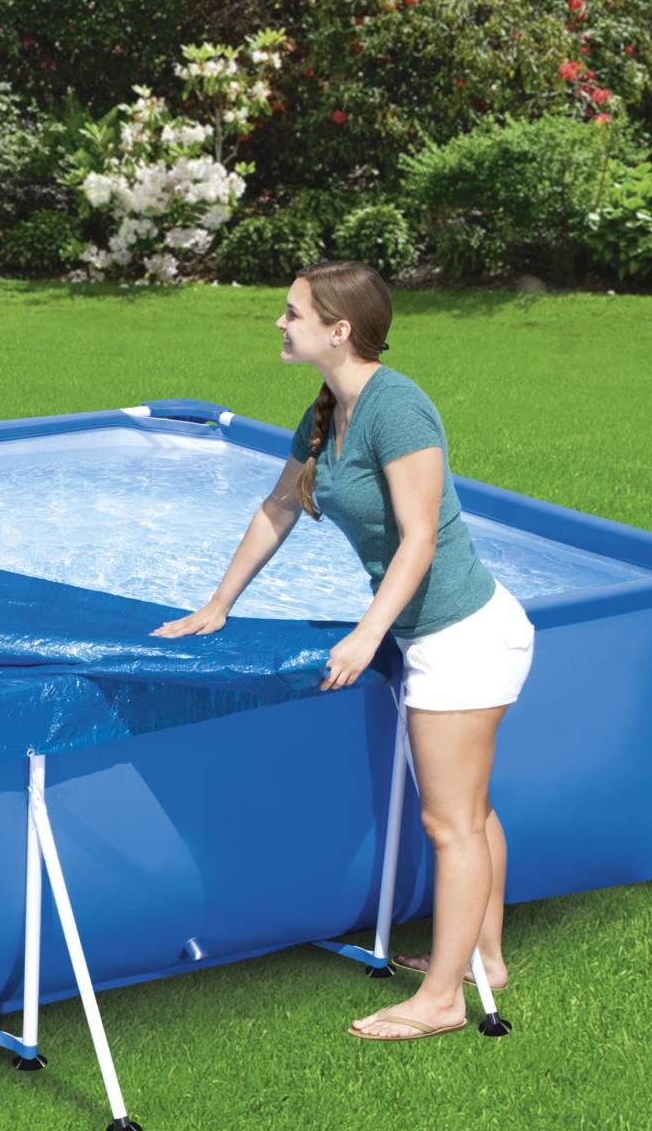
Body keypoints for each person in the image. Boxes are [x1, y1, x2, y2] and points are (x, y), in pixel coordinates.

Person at [151, 260, 535, 1041]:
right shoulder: (328, 410)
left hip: (465, 636)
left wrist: (367, 633)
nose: (279, 322)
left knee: (450, 824)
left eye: (293, 312)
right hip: (435, 635)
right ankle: (485, 961)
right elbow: (278, 507)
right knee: (470, 812)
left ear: (339, 329)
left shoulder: (400, 408)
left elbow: (421, 539)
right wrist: (218, 606)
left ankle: (442, 999)